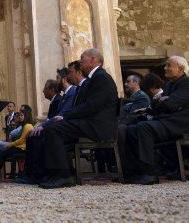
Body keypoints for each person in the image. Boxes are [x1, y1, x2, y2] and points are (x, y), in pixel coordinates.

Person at [18, 49, 118, 188]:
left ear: (94, 59)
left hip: (98, 126)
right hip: (91, 122)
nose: (80, 61)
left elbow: (91, 106)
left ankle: (63, 175)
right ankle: (50, 173)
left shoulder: (101, 77)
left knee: (54, 130)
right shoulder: (94, 78)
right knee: (53, 129)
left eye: (83, 58)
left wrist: (66, 116)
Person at [123, 56, 189, 185]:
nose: (165, 68)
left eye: (169, 65)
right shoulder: (171, 84)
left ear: (181, 69)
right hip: (169, 121)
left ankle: (150, 173)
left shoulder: (187, 84)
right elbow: (157, 104)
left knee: (144, 128)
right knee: (131, 129)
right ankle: (136, 172)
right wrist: (160, 102)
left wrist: (163, 101)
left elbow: (170, 104)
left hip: (181, 124)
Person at [0, 106, 35, 171]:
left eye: (21, 115)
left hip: (21, 148)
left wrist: (10, 144)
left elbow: (21, 140)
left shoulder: (27, 126)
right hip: (19, 147)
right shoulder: (26, 125)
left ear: (26, 116)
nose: (20, 117)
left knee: (0, 153)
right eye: (19, 115)